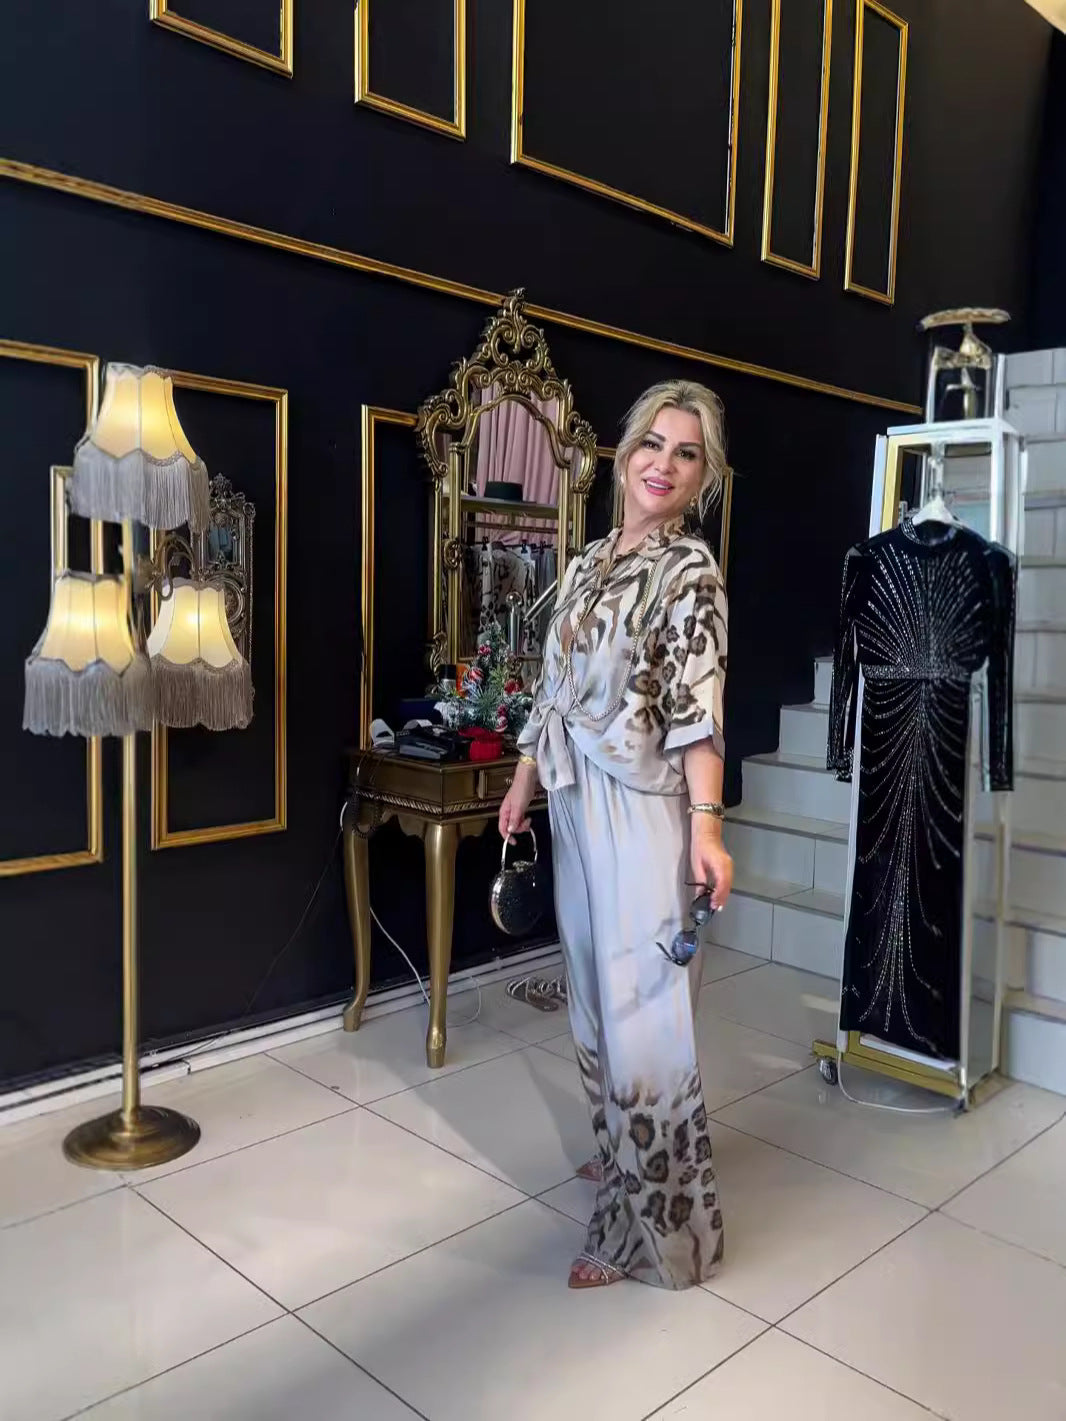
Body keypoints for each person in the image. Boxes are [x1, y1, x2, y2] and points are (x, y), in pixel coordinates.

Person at [500, 379, 733, 1291]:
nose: (663, 464)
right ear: (625, 453)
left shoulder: (690, 571)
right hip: (573, 799)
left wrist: (707, 828)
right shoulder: (591, 559)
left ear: (704, 475)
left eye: (686, 453)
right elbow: (552, 684)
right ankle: (621, 1152)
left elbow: (698, 709)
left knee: (642, 1016)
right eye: (652, 444)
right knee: (594, 1002)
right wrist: (525, 777)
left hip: (642, 808)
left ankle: (655, 1230)